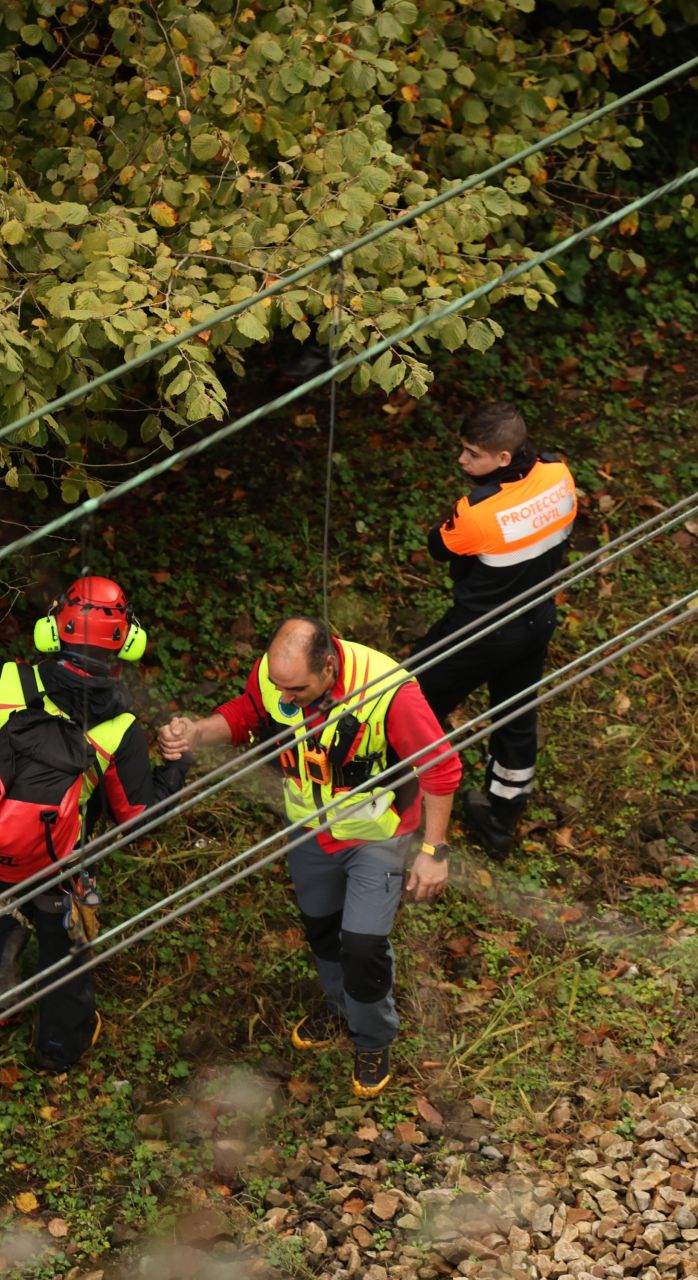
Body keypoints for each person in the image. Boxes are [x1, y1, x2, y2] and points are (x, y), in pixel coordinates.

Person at [157, 617, 459, 1098]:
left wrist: (433, 850)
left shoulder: (389, 692)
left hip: (375, 837)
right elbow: (244, 716)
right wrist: (196, 732)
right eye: (279, 685)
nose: (285, 697)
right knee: (322, 931)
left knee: (362, 945)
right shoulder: (276, 677)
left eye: (296, 689)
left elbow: (440, 766)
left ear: (330, 665)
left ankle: (372, 1036)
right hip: (309, 831)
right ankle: (340, 1008)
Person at [0, 576, 184, 1073]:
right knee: (66, 940)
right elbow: (137, 817)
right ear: (128, 640)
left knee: (0, 907)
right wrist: (177, 766)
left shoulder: (7, 682)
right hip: (56, 862)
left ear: (53, 629)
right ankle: (60, 1047)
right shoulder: (121, 728)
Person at [415, 402, 576, 857]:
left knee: (411, 701)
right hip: (538, 618)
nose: (462, 462)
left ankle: (387, 791)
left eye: (472, 454)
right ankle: (502, 819)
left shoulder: (478, 510)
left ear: (503, 459)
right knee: (515, 718)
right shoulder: (558, 473)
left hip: (477, 632)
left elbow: (438, 547)